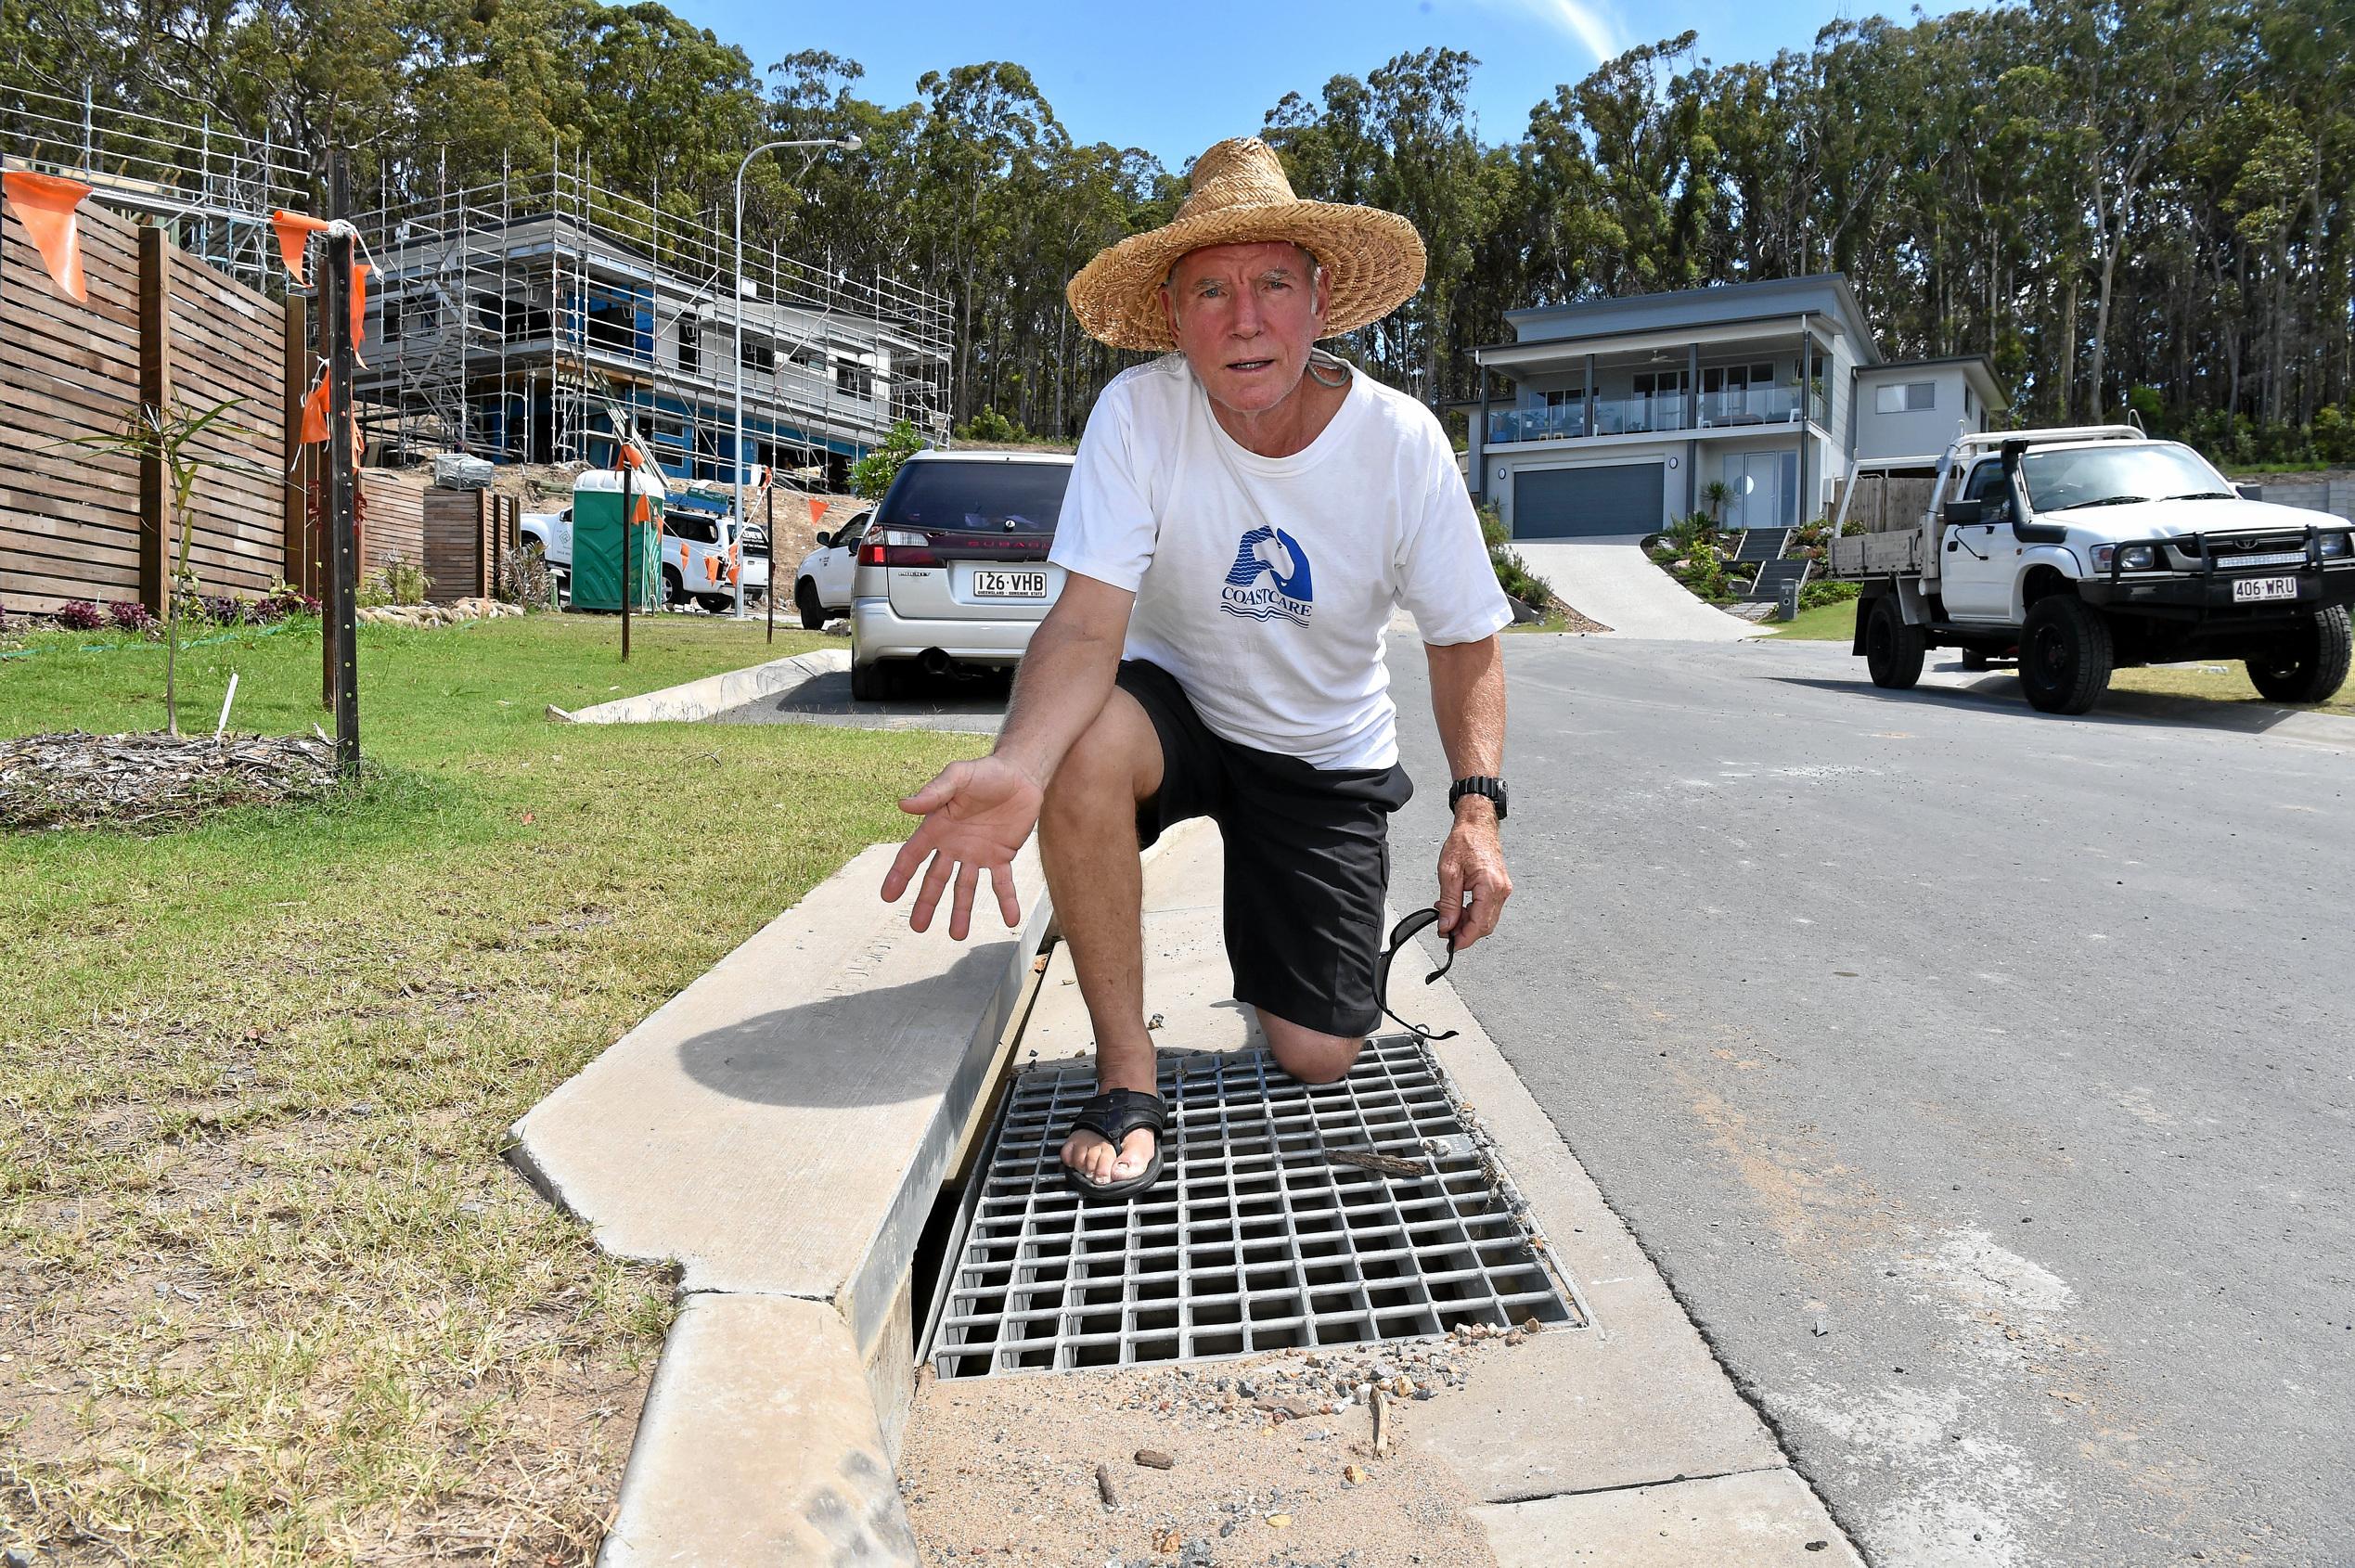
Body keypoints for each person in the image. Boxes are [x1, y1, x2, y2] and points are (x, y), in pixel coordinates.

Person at [881, 137, 1513, 1202]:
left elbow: (1464, 639)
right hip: (1176, 710)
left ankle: (1272, 934)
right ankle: (1127, 1076)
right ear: (1175, 317)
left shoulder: (1401, 444)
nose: (1245, 318)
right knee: (1080, 753)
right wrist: (1020, 765)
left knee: (1318, 1051)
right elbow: (1085, 628)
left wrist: (1477, 810)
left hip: (1322, 747)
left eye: (1272, 283)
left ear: (1321, 299)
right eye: (1210, 290)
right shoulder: (1138, 413)